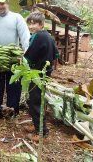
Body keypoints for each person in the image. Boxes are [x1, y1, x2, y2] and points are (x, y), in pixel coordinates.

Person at [24, 11, 59, 141]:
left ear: (42, 24)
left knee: (35, 101)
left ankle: (41, 132)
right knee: (36, 100)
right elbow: (56, 55)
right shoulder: (48, 36)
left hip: (38, 73)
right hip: (46, 73)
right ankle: (36, 125)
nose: (32, 26)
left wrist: (22, 60)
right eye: (30, 23)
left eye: (35, 24)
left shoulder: (39, 37)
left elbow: (30, 56)